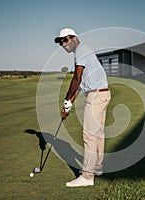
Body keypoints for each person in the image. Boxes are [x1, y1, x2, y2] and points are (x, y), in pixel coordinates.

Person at [54, 28, 111, 187]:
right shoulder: (83, 52)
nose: (63, 44)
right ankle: (97, 167)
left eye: (65, 40)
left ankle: (87, 176)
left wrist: (66, 99)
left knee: (89, 135)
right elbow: (80, 85)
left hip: (96, 96)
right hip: (102, 94)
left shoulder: (81, 50)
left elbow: (76, 79)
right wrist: (68, 105)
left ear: (73, 38)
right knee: (98, 134)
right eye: (60, 42)